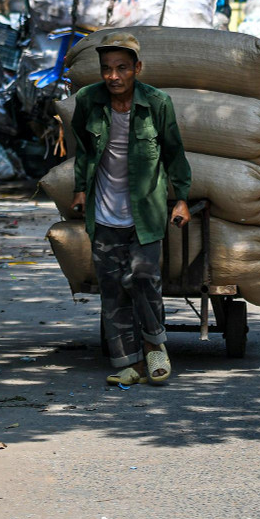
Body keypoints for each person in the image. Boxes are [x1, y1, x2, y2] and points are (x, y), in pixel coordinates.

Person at [69, 33, 193, 387]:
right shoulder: (89, 100)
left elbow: (174, 152)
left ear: (137, 68)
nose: (113, 76)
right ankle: (128, 362)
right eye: (107, 69)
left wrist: (181, 197)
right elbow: (83, 148)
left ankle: (155, 347)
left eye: (122, 68)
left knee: (143, 279)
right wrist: (80, 189)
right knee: (112, 289)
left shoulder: (157, 103)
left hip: (145, 214)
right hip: (104, 213)